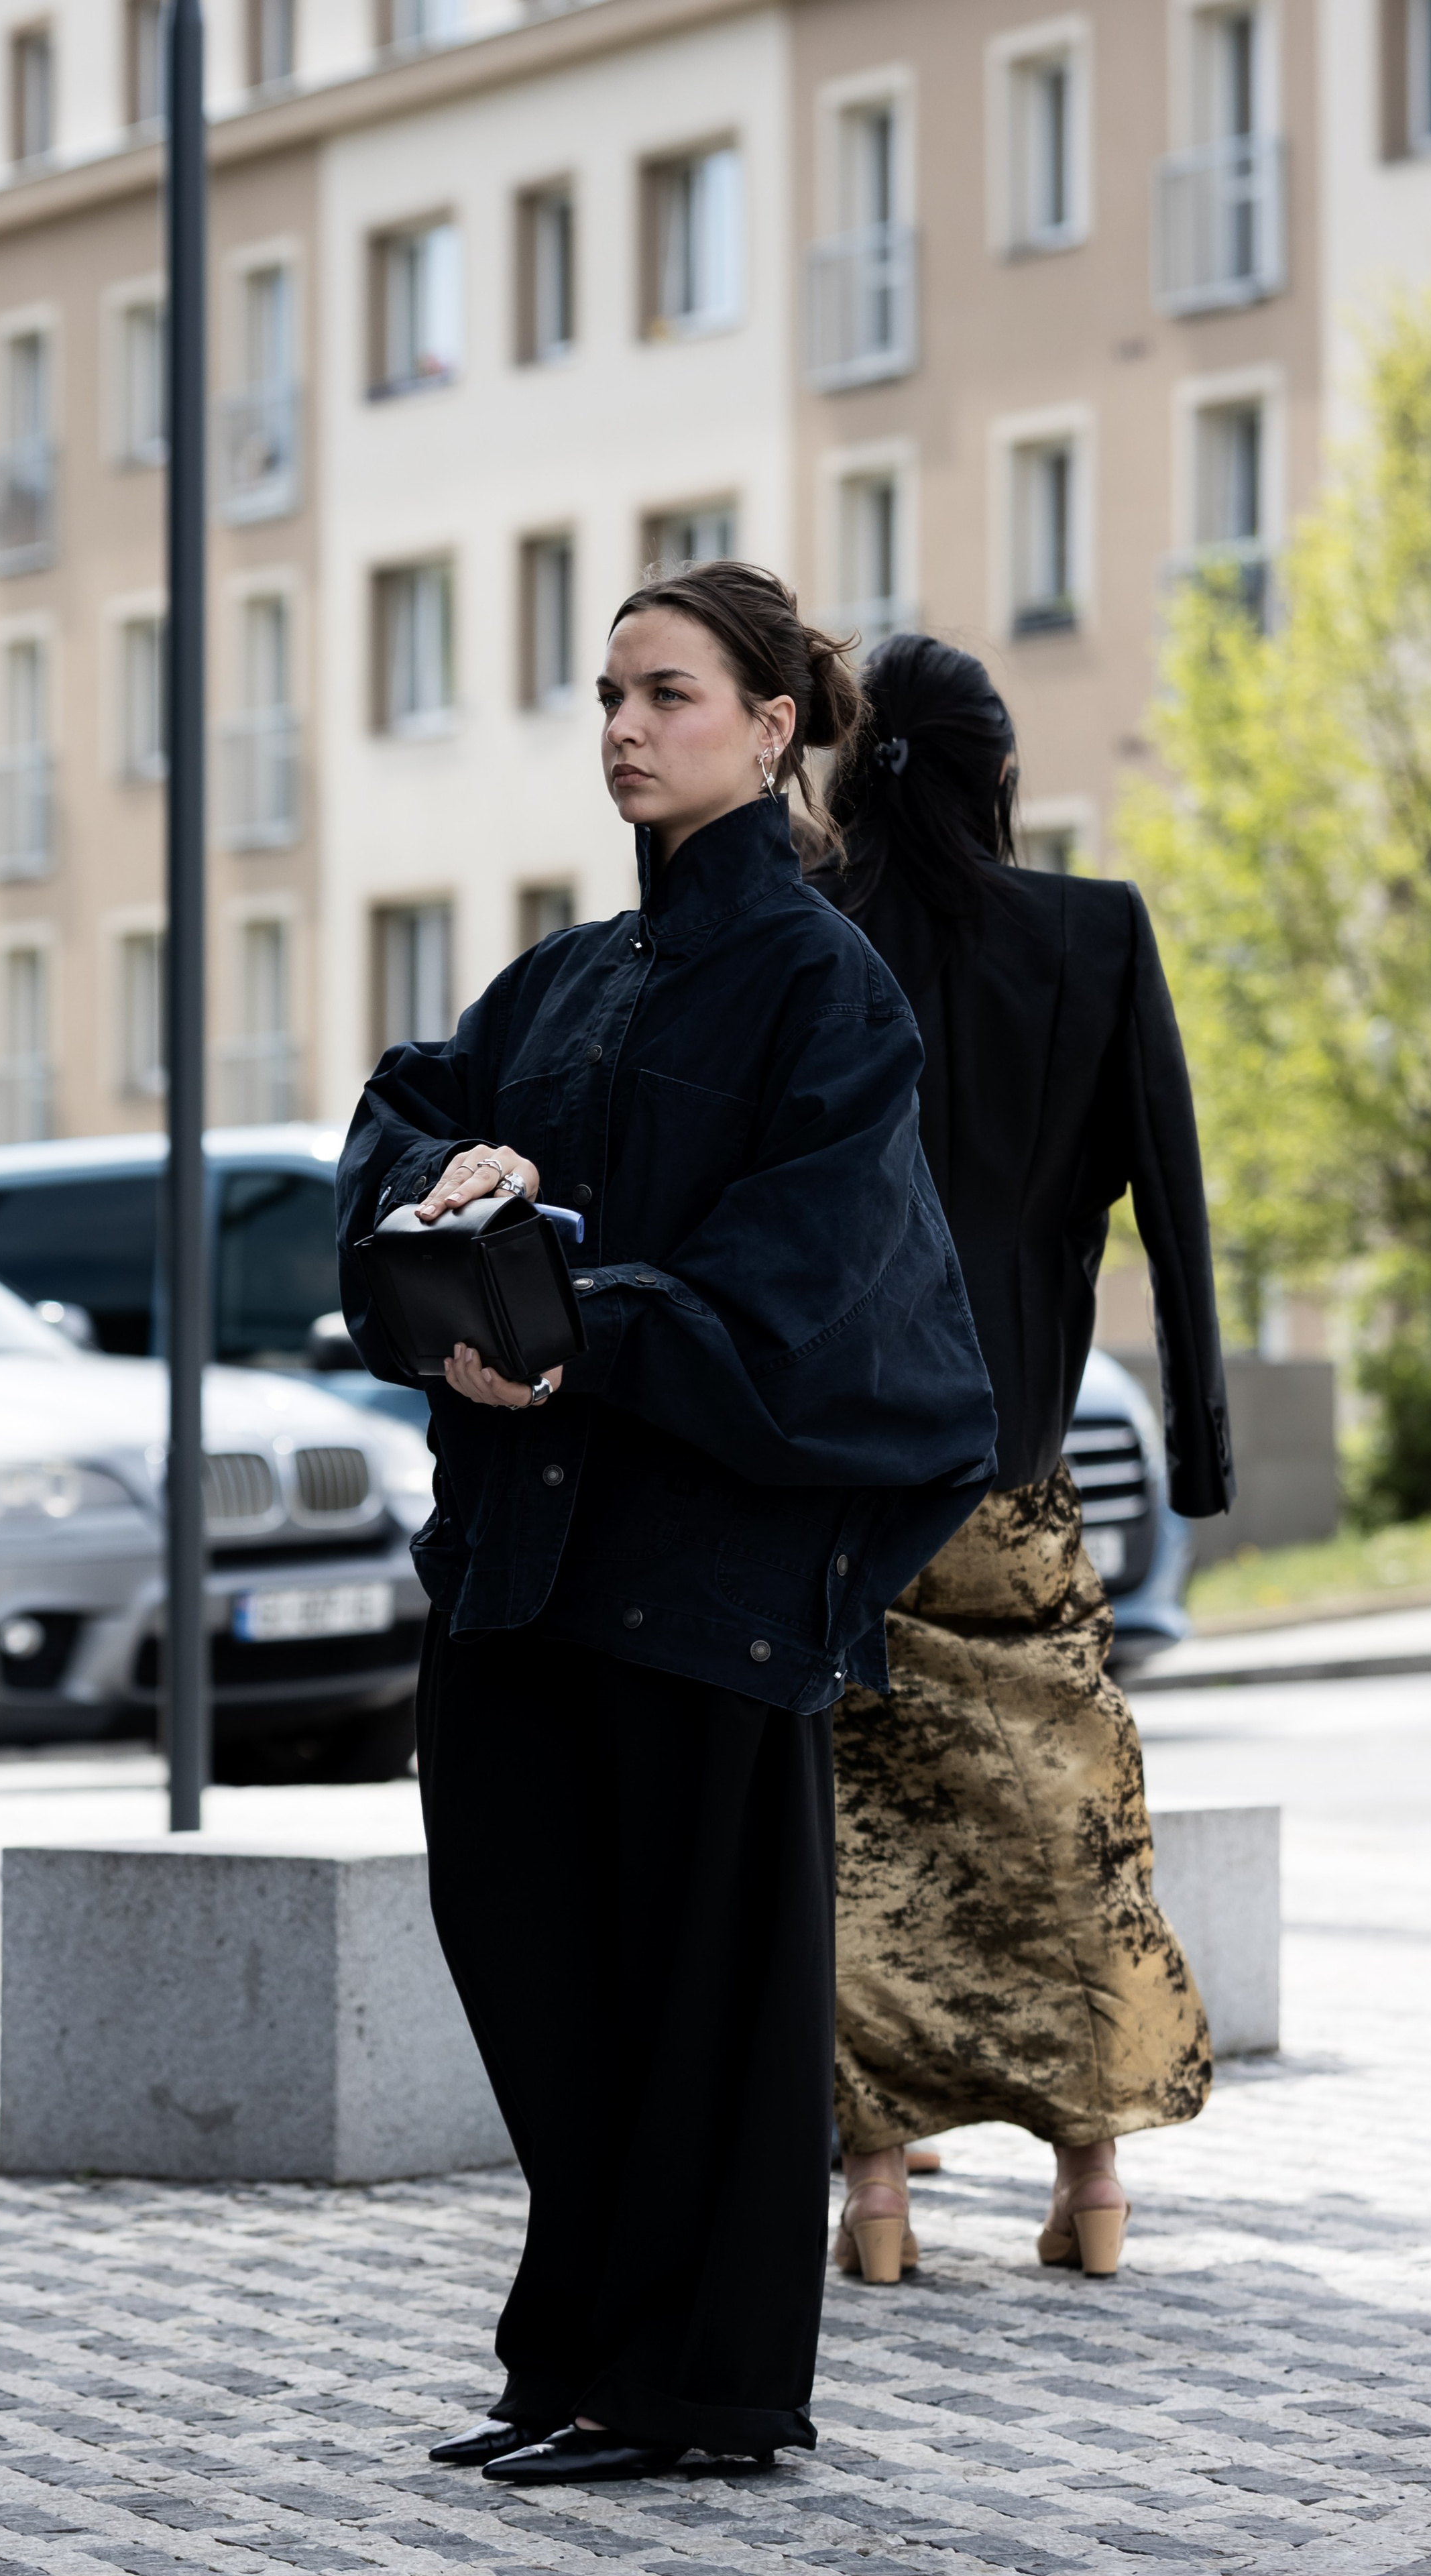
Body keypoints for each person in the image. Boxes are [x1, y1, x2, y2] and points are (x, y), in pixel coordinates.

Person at [335, 567, 996, 2482]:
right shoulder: (563, 976)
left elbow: (824, 1288)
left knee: (697, 2007)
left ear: (776, 727)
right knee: (538, 1974)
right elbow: (399, 1125)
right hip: (524, 1574)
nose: (625, 725)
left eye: (670, 693)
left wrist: (567, 1315)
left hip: (704, 1588)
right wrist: (455, 1227)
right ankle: (572, 2358)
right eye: (608, 694)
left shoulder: (822, 984)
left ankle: (690, 2389)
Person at [807, 633, 1235, 2286]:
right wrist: (1194, 1448)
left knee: (857, 1824)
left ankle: (879, 2201)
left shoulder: (812, 934)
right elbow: (1175, 1214)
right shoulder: (1093, 934)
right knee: (1067, 1815)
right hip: (1014, 1451)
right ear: (1000, 775)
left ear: (851, 773)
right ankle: (1091, 2182)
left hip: (832, 1459)